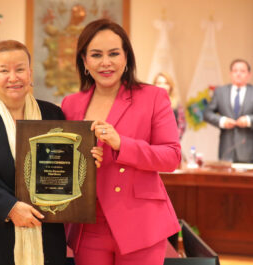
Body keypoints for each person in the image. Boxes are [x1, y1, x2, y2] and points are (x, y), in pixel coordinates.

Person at [0, 40, 84, 265]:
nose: (13, 77)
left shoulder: (52, 114)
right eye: (4, 70)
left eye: (20, 69)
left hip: (45, 236)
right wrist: (9, 207)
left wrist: (86, 158)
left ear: (30, 74)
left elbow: (64, 170)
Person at [61, 19, 181, 265]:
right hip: (88, 223)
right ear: (84, 61)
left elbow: (171, 157)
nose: (106, 62)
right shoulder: (70, 103)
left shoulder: (154, 97)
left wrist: (121, 144)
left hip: (141, 223)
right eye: (96, 55)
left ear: (126, 57)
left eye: (114, 53)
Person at [204, 59, 253, 163]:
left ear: (249, 74)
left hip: (249, 151)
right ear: (230, 73)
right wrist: (222, 121)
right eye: (235, 71)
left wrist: (249, 120)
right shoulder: (220, 92)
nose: (238, 74)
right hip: (226, 149)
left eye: (242, 71)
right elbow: (207, 114)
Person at [153, 72, 186, 139]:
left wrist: (172, 140)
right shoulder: (149, 103)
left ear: (170, 86)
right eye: (159, 83)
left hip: (170, 144)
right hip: (151, 145)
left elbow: (182, 125)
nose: (162, 86)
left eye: (166, 83)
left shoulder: (176, 105)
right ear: (154, 85)